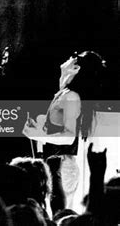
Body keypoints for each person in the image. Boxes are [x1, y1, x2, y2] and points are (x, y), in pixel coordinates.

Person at [23, 50, 106, 209]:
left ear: (77, 68)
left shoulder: (72, 96)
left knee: (61, 217)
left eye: (75, 57)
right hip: (58, 165)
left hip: (62, 168)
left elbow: (69, 136)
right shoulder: (65, 92)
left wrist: (38, 133)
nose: (70, 57)